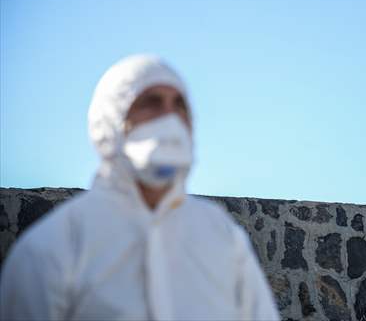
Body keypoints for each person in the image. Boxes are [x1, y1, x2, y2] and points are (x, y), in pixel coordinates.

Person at [0, 55, 280, 321]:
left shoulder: (222, 236)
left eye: (179, 105)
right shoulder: (53, 246)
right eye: (152, 102)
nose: (169, 118)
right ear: (111, 121)